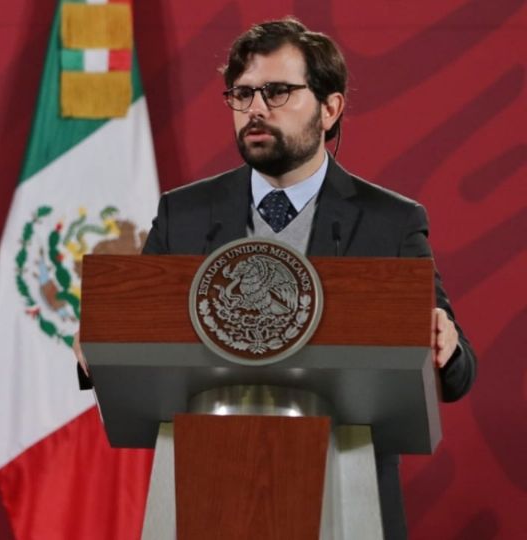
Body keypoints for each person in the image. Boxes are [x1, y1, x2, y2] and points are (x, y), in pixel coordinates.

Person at [76, 18, 476, 539]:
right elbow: (142, 331)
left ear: (330, 109)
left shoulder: (390, 220)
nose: (255, 109)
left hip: (347, 498)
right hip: (207, 491)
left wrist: (446, 347)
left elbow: (457, 367)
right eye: (241, 94)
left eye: (277, 92)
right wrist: (99, 346)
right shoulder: (185, 212)